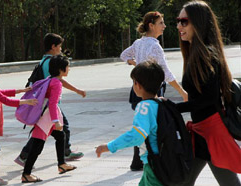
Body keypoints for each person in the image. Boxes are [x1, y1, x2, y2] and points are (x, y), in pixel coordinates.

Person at [175, 1, 241, 185]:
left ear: (198, 23)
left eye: (184, 21)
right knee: (184, 182)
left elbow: (208, 99)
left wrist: (173, 107)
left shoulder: (205, 55)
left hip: (211, 132)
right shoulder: (197, 54)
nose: (179, 25)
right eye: (178, 20)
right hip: (203, 132)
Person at [120, 11, 188, 171]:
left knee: (141, 123)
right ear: (151, 25)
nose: (164, 26)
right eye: (161, 23)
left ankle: (138, 161)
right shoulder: (154, 46)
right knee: (153, 124)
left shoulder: (138, 43)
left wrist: (134, 63)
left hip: (138, 89)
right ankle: (152, 159)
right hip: (152, 90)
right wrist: (182, 92)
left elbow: (123, 55)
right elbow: (166, 73)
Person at [14, 33, 86, 167]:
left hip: (45, 104)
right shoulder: (50, 63)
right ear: (53, 46)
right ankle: (64, 154)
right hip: (49, 105)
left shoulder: (43, 60)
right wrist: (77, 90)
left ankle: (28, 157)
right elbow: (57, 80)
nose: (60, 49)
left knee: (45, 131)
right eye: (59, 46)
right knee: (60, 129)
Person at [96, 61, 165, 186]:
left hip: (154, 165)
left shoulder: (144, 106)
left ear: (137, 85)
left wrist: (109, 146)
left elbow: (137, 135)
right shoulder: (163, 103)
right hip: (166, 160)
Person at [21, 55, 77, 183]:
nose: (69, 69)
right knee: (37, 146)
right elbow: (52, 104)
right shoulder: (56, 83)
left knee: (60, 136)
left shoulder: (50, 79)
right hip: (46, 119)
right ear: (60, 69)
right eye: (68, 67)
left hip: (46, 118)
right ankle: (26, 174)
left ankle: (62, 164)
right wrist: (56, 121)